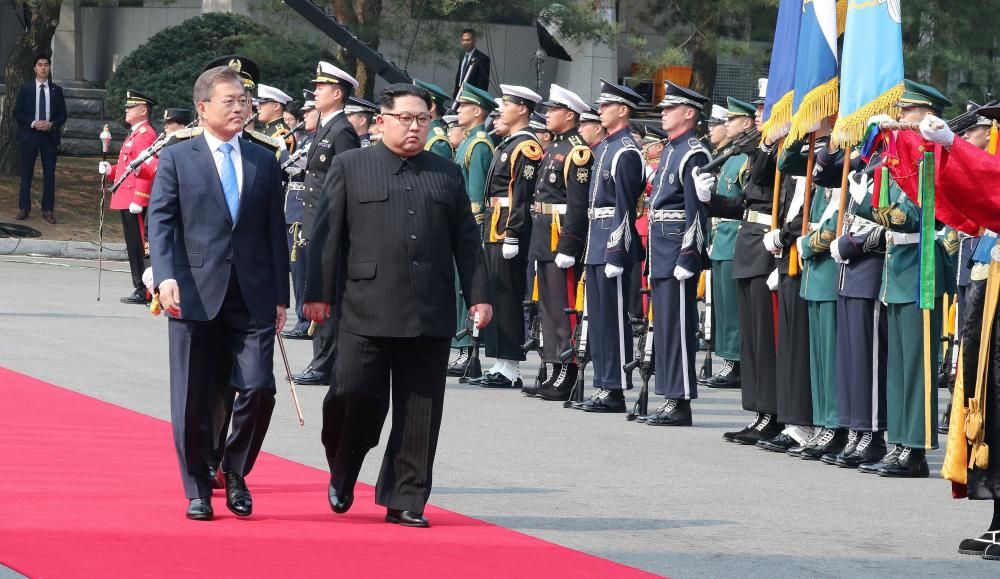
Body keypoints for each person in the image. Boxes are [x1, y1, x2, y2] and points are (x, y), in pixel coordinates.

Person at [303, 83, 491, 528]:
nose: (414, 127)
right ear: (382, 120)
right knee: (351, 398)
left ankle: (405, 496)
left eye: (422, 119)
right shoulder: (351, 166)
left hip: (429, 307)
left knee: (420, 411)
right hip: (365, 306)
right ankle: (344, 469)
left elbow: (467, 240)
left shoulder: (446, 172)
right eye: (405, 118)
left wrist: (480, 295)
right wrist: (317, 294)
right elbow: (327, 237)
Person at [148, 64, 289, 521]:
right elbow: (162, 221)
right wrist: (165, 275)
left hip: (251, 294)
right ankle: (196, 488)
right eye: (230, 101)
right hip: (191, 290)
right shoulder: (177, 157)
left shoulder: (264, 159)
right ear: (202, 107)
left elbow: (274, 233)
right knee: (192, 395)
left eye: (244, 101)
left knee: (258, 387)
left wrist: (280, 295)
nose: (241, 108)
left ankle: (233, 469)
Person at [697, 78, 788, 444]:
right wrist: (710, 201)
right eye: (759, 109)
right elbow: (746, 204)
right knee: (751, 339)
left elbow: (770, 185)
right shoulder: (759, 149)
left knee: (766, 338)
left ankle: (774, 413)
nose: (759, 115)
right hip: (747, 243)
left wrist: (765, 145)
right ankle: (759, 411)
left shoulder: (784, 149)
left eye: (766, 109)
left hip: (767, 246)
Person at [571, 80, 645, 413]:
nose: (599, 110)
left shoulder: (626, 150)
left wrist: (616, 250)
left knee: (613, 318)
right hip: (596, 239)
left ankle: (614, 387)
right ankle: (603, 382)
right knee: (598, 317)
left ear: (623, 110)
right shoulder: (605, 147)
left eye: (605, 105)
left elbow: (625, 206)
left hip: (613, 243)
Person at [640, 81, 710, 426]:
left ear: (689, 113)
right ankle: (669, 395)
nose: (663, 113)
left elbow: (697, 210)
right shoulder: (671, 149)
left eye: (670, 108)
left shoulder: (693, 152)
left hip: (678, 247)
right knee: (665, 326)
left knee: (679, 327)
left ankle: (680, 399)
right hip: (661, 247)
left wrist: (689, 254)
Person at [467, 84, 543, 389]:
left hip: (509, 228)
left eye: (508, 104)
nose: (501, 110)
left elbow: (521, 195)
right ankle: (499, 361)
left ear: (522, 109)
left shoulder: (527, 146)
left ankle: (511, 365)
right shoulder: (508, 143)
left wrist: (513, 233)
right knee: (496, 293)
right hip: (495, 225)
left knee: (508, 296)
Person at [292, 61, 361, 387]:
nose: (315, 92)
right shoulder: (325, 128)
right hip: (318, 223)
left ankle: (325, 363)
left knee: (327, 295)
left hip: (332, 226)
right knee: (317, 290)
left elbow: (349, 182)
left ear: (337, 93)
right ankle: (323, 360)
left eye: (321, 88)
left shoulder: (342, 130)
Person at [523, 84, 592, 400]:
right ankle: (553, 367)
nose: (548, 114)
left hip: (560, 239)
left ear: (569, 115)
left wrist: (569, 245)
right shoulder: (554, 147)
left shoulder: (578, 151)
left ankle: (568, 369)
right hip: (543, 235)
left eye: (553, 110)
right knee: (548, 309)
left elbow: (577, 206)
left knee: (564, 309)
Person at [699, 98, 755, 390]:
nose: (725, 125)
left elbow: (744, 201)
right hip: (721, 240)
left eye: (731, 120)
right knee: (723, 306)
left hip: (735, 239)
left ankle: (736, 362)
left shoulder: (745, 157)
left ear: (746, 123)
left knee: (734, 308)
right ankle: (729, 359)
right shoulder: (731, 154)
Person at [447, 84, 496, 376]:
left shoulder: (478, 145)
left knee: (466, 289)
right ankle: (458, 346)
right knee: (455, 289)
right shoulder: (467, 141)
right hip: (455, 223)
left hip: (468, 226)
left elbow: (476, 196)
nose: (459, 111)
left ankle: (465, 349)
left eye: (464, 106)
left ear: (477, 111)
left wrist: (469, 232)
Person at [97, 90, 159, 305]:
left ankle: (146, 290)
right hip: (126, 196)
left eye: (131, 107)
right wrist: (111, 170)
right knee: (133, 246)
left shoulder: (145, 135)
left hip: (135, 199)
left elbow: (146, 168)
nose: (126, 110)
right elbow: (128, 167)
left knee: (139, 246)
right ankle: (140, 287)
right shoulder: (135, 133)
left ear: (143, 111)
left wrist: (140, 199)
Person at [281, 95, 318, 341]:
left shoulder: (317, 139)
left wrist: (280, 151)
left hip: (304, 210)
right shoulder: (306, 137)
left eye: (309, 112)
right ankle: (302, 318)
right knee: (297, 272)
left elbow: (296, 167)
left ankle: (306, 320)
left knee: (303, 271)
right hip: (293, 209)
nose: (304, 116)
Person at [14, 53, 67, 223]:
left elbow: (62, 115)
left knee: (49, 174)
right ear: (34, 68)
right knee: (26, 173)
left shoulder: (56, 91)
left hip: (49, 137)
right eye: (40, 65)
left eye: (46, 65)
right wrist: (32, 123)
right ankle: (24, 208)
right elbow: (17, 113)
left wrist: (52, 124)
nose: (43, 68)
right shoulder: (26, 89)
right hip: (30, 135)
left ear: (50, 68)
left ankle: (48, 210)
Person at [414, 79, 455, 160]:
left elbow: (440, 172)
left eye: (417, 102)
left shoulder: (437, 141)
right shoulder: (423, 131)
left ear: (432, 107)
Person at [256, 83, 295, 151]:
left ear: (276, 106)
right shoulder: (267, 129)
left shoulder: (282, 133)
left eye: (262, 103)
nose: (258, 107)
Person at [454, 28, 491, 94]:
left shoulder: (482, 58)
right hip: (459, 96)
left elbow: (482, 85)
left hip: (472, 97)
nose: (465, 43)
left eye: (468, 40)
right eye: (463, 40)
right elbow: (459, 79)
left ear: (474, 41)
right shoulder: (462, 56)